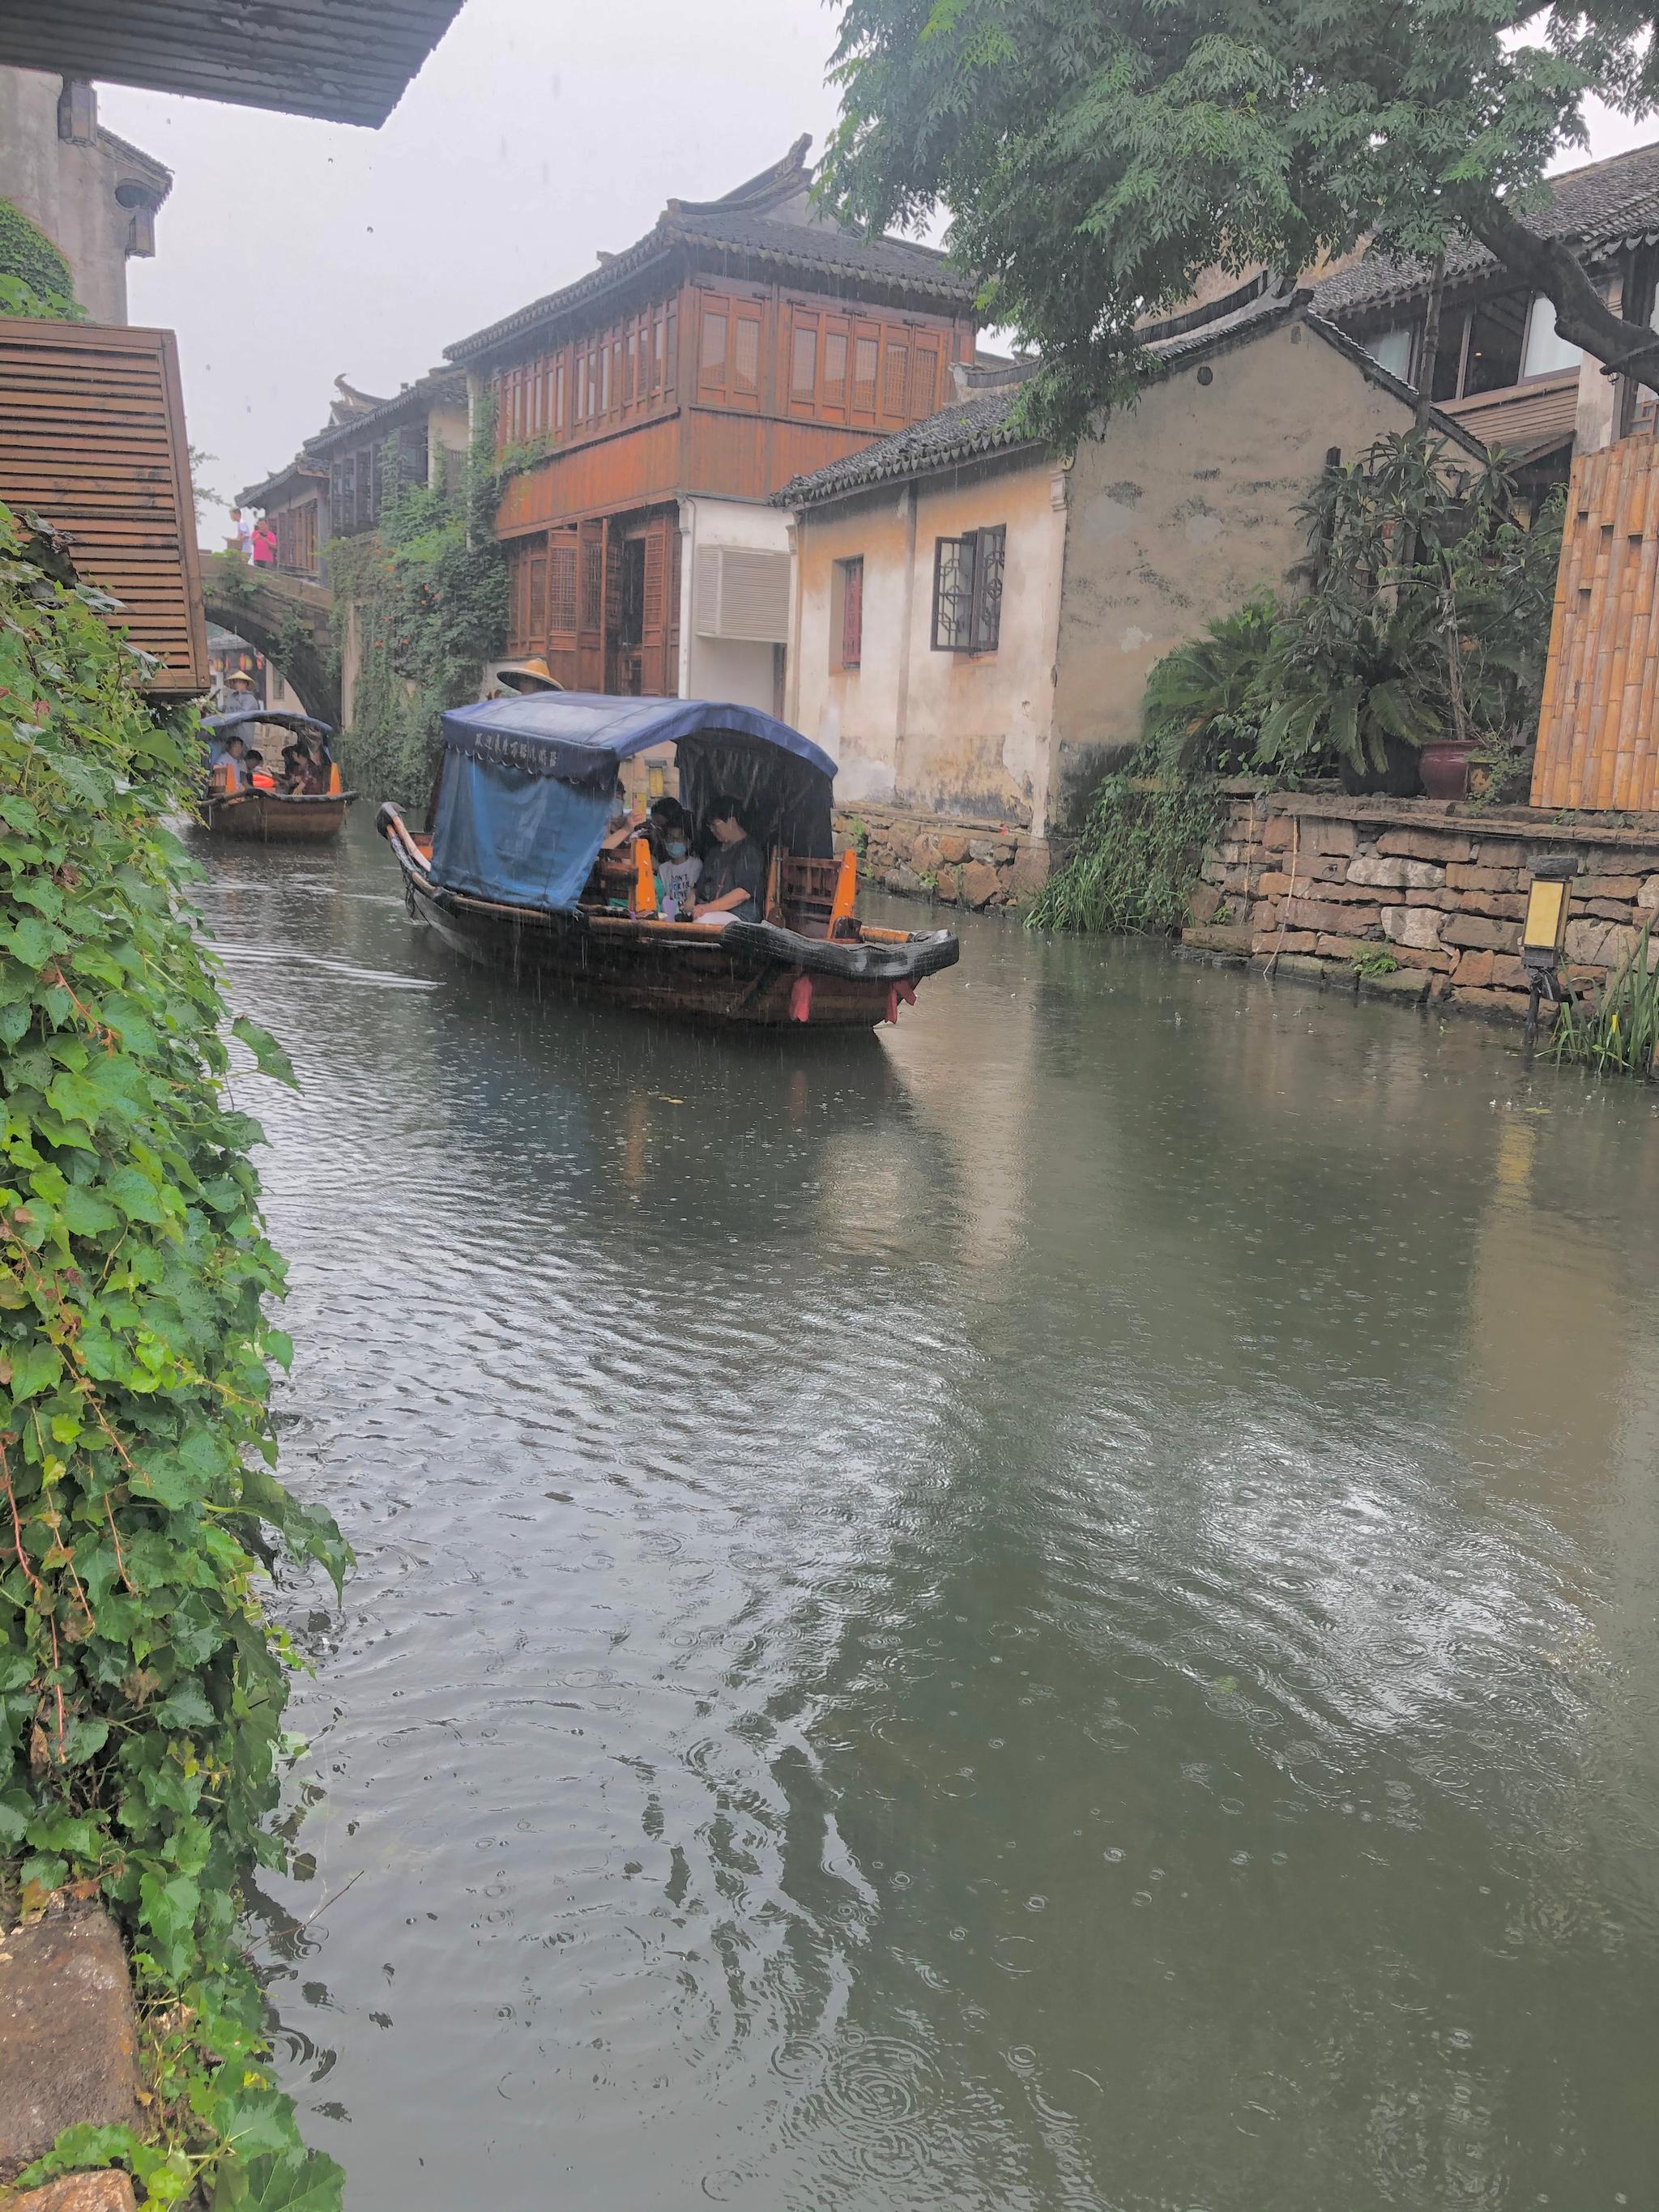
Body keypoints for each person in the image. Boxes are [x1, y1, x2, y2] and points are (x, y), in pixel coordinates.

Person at [693, 795, 764, 925]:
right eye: (710, 827)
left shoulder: (749, 851)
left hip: (741, 916)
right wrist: (690, 900)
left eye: (715, 825)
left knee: (703, 921)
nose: (712, 831)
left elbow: (743, 893)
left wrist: (709, 908)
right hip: (713, 911)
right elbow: (700, 887)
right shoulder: (714, 853)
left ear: (731, 822)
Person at [649, 797, 701, 919]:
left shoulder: (696, 864)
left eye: (661, 825)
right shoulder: (664, 868)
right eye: (655, 825)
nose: (658, 829)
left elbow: (697, 889)